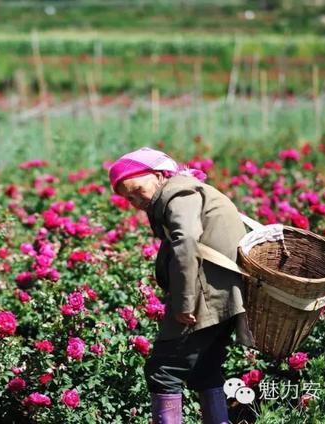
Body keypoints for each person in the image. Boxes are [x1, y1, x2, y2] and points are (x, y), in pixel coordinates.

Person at [108, 147, 255, 424]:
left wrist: (184, 303)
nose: (134, 201)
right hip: (223, 298)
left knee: (163, 371)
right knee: (205, 370)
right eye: (127, 198)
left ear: (160, 175)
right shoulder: (187, 190)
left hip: (204, 300)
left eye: (137, 189)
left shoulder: (179, 194)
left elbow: (186, 243)